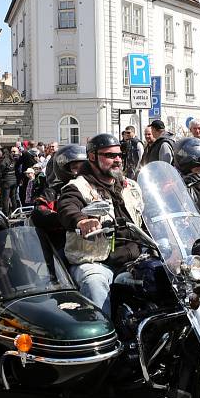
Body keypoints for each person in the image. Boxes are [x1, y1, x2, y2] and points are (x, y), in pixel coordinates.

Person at [58, 134, 144, 315]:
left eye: (119, 155)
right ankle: (104, 337)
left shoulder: (131, 186)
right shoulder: (78, 187)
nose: (117, 160)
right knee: (95, 282)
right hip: (97, 261)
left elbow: (151, 215)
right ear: (92, 157)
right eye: (110, 155)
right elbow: (67, 207)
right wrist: (81, 221)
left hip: (135, 259)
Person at [31, 144, 87, 251]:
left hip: (93, 242)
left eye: (83, 167)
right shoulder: (53, 192)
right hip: (64, 243)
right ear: (63, 168)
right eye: (75, 168)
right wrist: (66, 219)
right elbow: (39, 211)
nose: (80, 172)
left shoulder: (95, 188)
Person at [0, 147, 19, 215]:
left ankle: (5, 214)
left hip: (6, 181)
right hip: (14, 180)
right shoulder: (12, 159)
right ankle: (15, 213)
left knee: (5, 199)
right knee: (13, 198)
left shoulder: (2, 161)